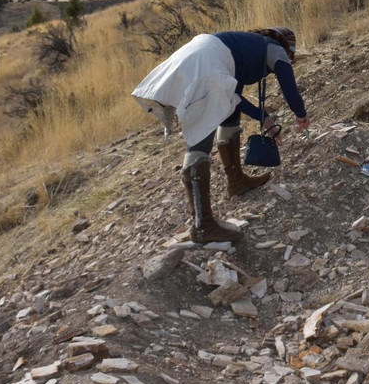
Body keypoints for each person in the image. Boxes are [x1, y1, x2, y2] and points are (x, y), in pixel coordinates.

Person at [132, 27, 310, 244]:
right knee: (200, 139)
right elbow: (289, 86)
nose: (289, 59)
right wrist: (301, 114)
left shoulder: (245, 48)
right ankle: (203, 225)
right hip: (205, 67)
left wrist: (263, 117)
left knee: (229, 113)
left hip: (198, 56)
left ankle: (236, 181)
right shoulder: (275, 50)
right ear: (287, 47)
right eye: (290, 55)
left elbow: (233, 97)